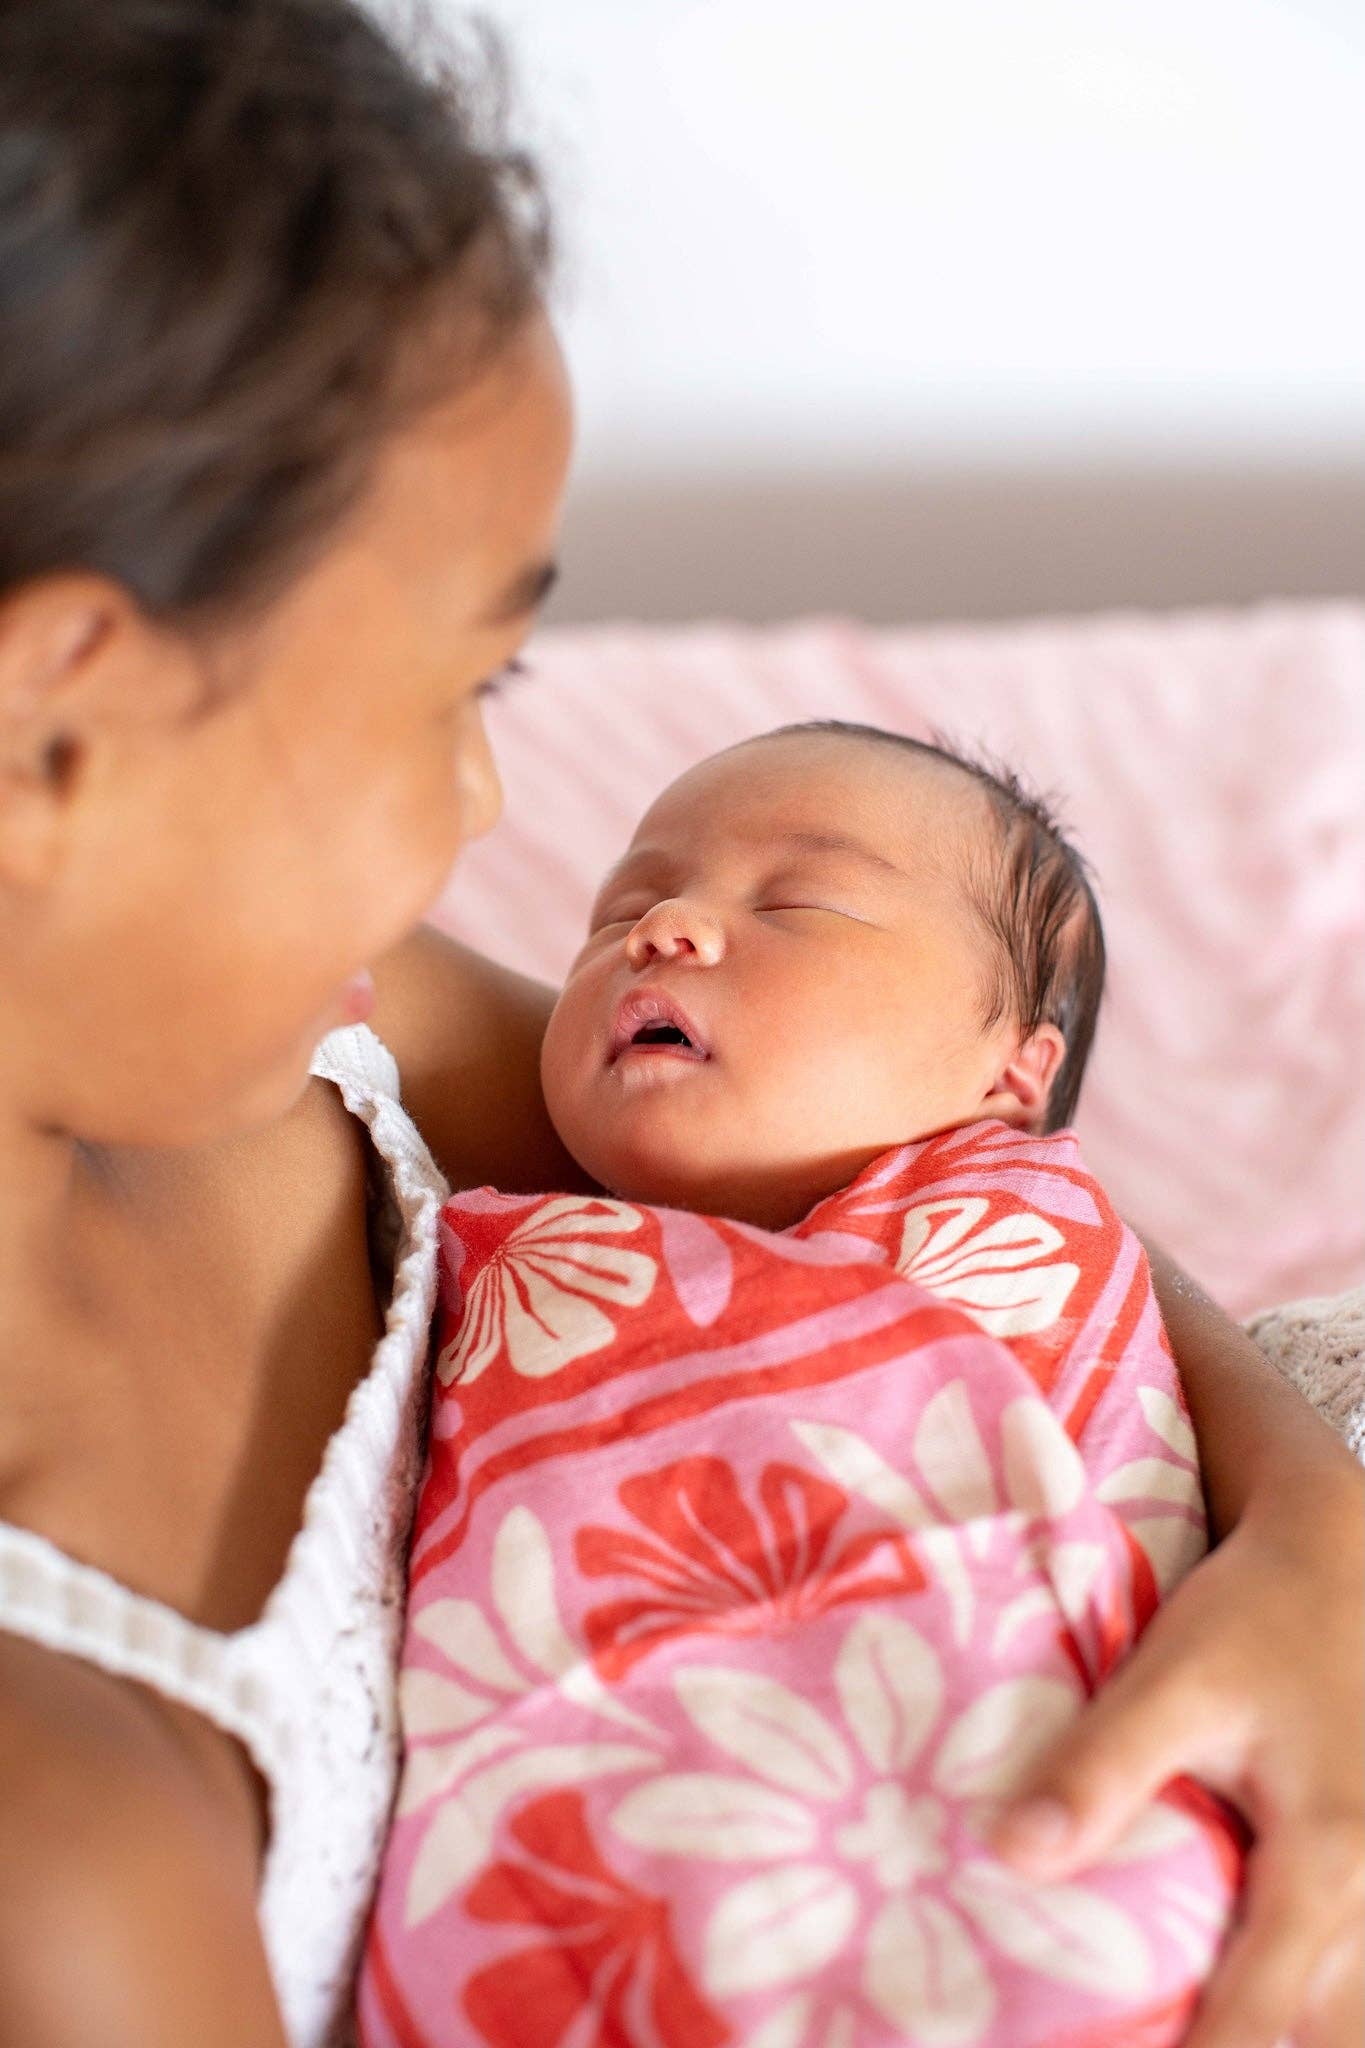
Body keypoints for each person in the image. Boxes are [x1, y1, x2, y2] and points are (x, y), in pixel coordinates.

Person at [0, 5, 1358, 2046]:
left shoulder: (326, 1027)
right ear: (55, 724)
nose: (486, 814)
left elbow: (914, 1171)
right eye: (459, 692)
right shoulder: (62, 1855)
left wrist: (1313, 1534)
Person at [361, 725, 1240, 2047]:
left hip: (1028, 1850)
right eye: (621, 910)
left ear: (1013, 1069)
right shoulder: (489, 1243)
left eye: (797, 905)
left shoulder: (1016, 1219)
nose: (662, 931)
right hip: (605, 1902)